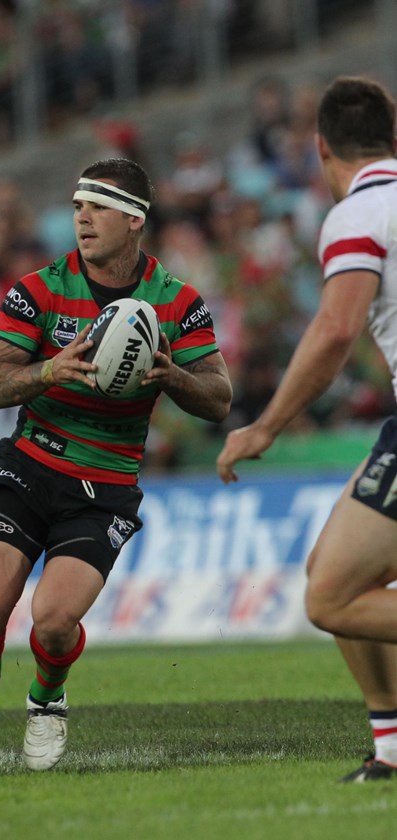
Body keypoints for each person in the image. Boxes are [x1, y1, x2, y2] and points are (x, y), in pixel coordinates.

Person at [0, 157, 232, 779]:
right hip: (28, 464)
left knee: (54, 621)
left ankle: (46, 695)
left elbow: (219, 398)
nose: (82, 219)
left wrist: (171, 373)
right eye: (76, 207)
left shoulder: (177, 303)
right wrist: (49, 370)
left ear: (133, 220)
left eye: (96, 207)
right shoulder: (38, 289)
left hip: (105, 485)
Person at [216, 75, 397, 783]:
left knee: (329, 595)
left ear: (320, 149)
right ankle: (389, 747)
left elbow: (334, 331)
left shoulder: (359, 215)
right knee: (338, 569)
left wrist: (264, 427)